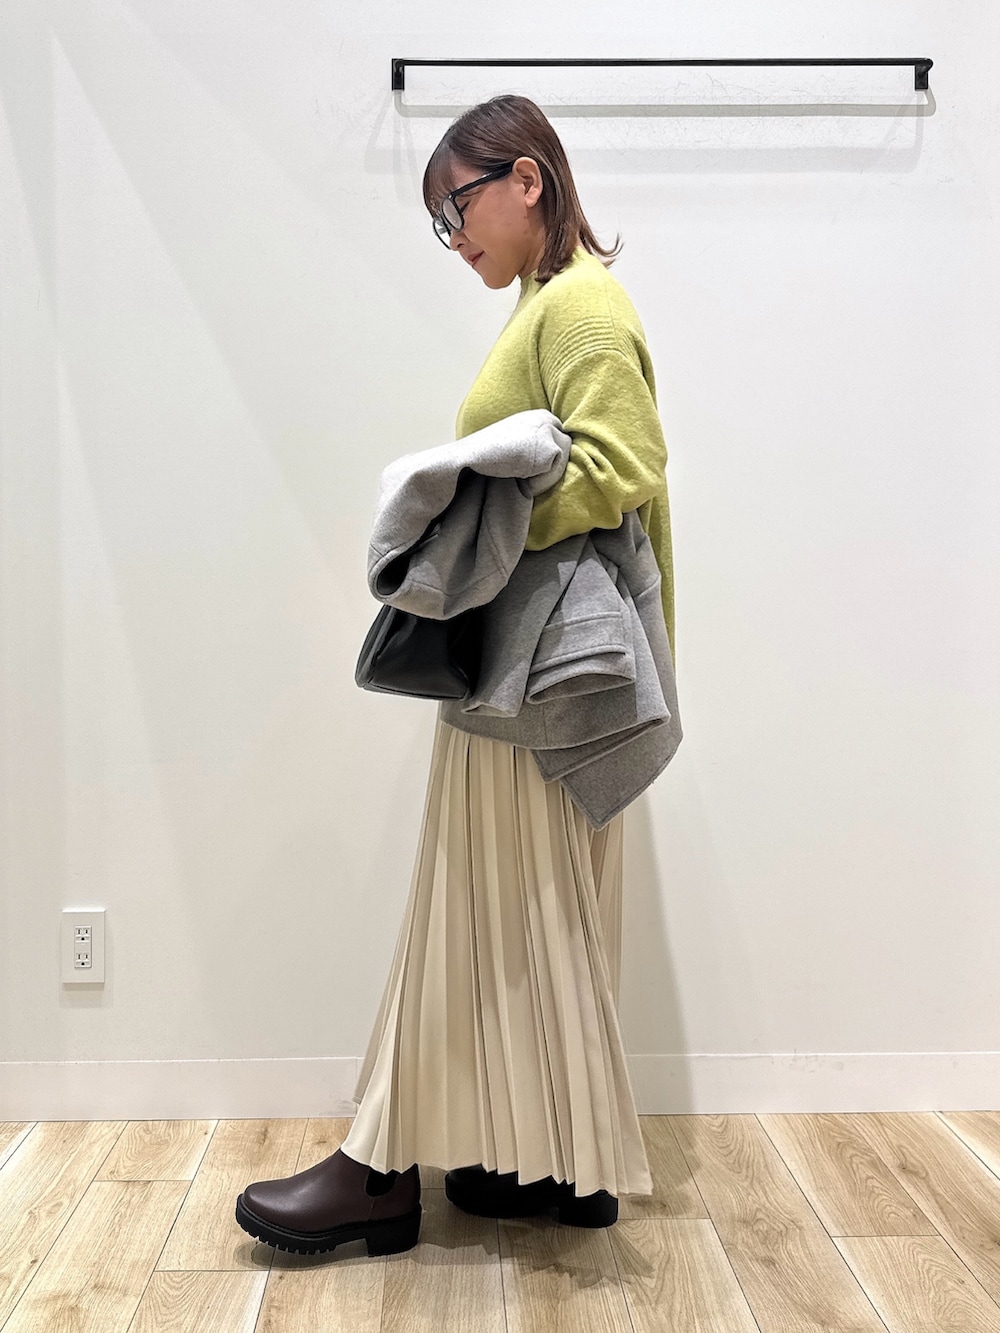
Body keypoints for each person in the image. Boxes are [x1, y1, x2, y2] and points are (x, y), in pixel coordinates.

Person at [235, 93, 675, 1257]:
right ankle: (553, 1163)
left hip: (536, 677)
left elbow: (625, 463)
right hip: (543, 672)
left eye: (456, 207)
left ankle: (378, 1170)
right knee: (533, 917)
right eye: (438, 220)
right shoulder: (550, 301)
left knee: (471, 912)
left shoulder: (577, 305)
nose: (451, 237)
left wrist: (479, 528)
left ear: (528, 179)